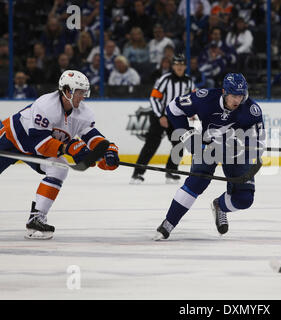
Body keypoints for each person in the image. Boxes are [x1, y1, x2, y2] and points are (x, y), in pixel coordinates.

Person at [0, 70, 120, 240]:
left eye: (84, 92)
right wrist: (69, 147)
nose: (83, 96)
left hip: (36, 147)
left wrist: (106, 150)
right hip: (11, 139)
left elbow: (91, 135)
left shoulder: (84, 113)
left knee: (60, 168)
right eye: (79, 92)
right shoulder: (46, 105)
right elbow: (39, 142)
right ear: (66, 91)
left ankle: (36, 219)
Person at [153, 73, 265, 240]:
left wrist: (242, 146)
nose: (237, 100)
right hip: (207, 147)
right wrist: (187, 134)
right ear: (224, 92)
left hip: (235, 153)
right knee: (196, 183)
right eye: (234, 95)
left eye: (241, 95)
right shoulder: (204, 98)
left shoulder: (251, 110)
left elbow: (258, 143)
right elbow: (173, 108)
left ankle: (219, 206)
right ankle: (169, 222)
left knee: (244, 199)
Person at [130, 54, 195, 184]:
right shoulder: (165, 79)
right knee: (151, 144)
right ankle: (137, 174)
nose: (179, 67)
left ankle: (171, 172)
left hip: (177, 117)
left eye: (182, 65)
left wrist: (192, 112)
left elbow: (193, 99)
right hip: (160, 116)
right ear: (173, 66)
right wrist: (160, 115)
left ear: (185, 66)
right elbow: (154, 98)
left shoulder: (189, 81)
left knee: (180, 144)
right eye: (177, 64)